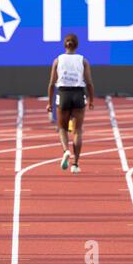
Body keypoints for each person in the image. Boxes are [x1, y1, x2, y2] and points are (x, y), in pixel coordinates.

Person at [47, 33, 95, 173]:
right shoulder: (83, 61)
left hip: (63, 94)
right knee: (78, 130)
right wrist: (91, 100)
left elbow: (51, 84)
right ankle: (75, 164)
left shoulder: (58, 60)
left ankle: (66, 150)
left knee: (62, 128)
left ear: (65, 44)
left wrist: (49, 103)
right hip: (79, 94)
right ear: (77, 45)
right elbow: (89, 83)